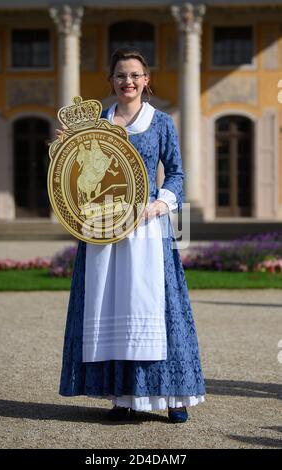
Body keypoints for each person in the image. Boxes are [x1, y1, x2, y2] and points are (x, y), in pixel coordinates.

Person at [58, 47, 206, 423]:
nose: (128, 81)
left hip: (146, 230)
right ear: (111, 81)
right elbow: (76, 175)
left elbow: (176, 174)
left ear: (147, 80)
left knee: (156, 308)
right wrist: (62, 151)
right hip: (103, 231)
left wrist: (162, 204)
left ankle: (174, 397)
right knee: (112, 305)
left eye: (135, 75)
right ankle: (123, 396)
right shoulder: (97, 124)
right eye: (121, 75)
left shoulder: (161, 122)